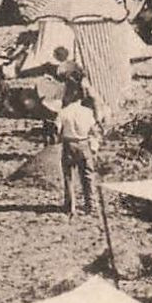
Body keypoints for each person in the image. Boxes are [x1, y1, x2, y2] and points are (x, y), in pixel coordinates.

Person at [55, 88, 98, 216]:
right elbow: (93, 131)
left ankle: (70, 206)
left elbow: (57, 131)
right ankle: (90, 205)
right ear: (80, 98)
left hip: (69, 144)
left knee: (68, 176)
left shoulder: (63, 113)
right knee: (87, 176)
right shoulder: (88, 112)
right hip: (84, 143)